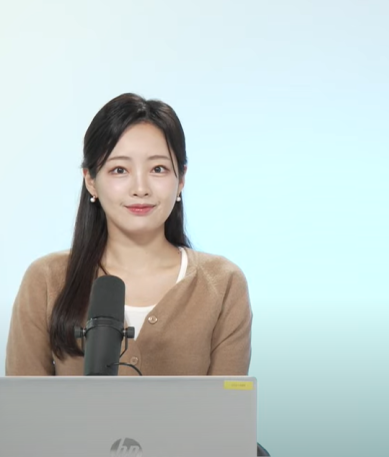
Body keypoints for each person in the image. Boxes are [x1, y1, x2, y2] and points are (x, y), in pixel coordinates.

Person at [6, 93, 252, 376]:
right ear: (91, 180)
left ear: (181, 179)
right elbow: (23, 401)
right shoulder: (46, 280)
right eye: (119, 170)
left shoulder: (223, 284)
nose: (140, 189)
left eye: (158, 169)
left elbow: (228, 403)